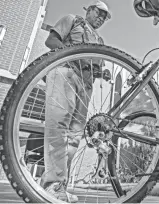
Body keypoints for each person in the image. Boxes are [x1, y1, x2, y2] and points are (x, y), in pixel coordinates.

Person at [41, 1, 111, 202]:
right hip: (67, 73)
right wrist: (73, 58)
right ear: (89, 10)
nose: (101, 19)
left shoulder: (100, 39)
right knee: (58, 125)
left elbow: (98, 65)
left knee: (74, 135)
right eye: (99, 13)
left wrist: (101, 71)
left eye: (104, 18)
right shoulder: (72, 20)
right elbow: (52, 41)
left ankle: (58, 184)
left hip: (85, 86)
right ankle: (52, 183)